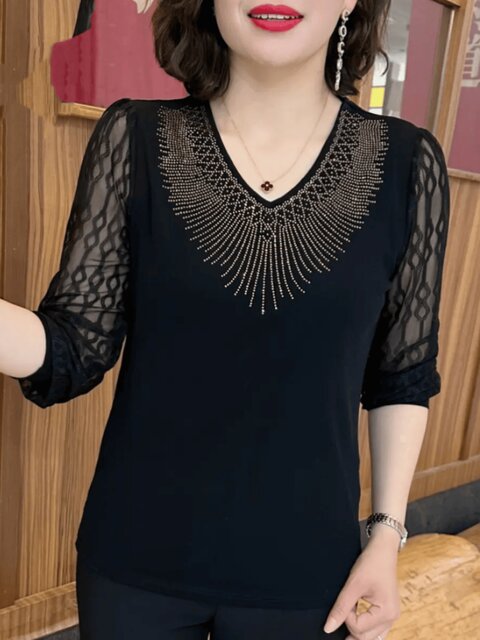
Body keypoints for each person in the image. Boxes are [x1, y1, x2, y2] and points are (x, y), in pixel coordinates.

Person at [0, 0, 451, 638]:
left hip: (308, 571)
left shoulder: (408, 165)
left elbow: (400, 375)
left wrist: (385, 536)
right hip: (137, 560)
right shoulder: (134, 137)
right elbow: (76, 344)